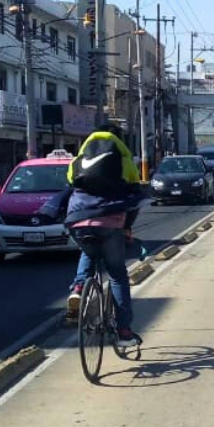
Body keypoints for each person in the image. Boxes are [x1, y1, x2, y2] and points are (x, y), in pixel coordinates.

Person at [64, 123, 144, 347]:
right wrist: (127, 227)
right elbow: (134, 198)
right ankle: (124, 331)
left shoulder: (79, 159)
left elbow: (70, 184)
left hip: (77, 220)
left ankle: (79, 288)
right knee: (117, 275)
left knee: (88, 250)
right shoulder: (124, 160)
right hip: (110, 222)